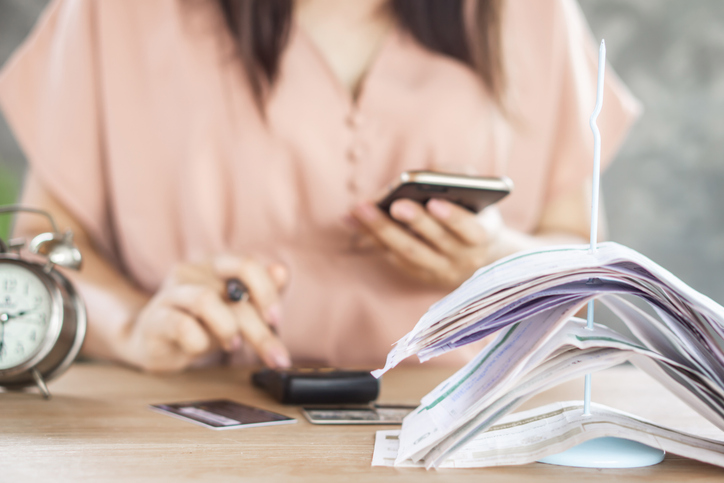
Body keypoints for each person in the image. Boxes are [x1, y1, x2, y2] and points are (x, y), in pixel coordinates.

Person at [0, 0, 639, 372]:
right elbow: (44, 248)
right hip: (193, 431)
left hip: (464, 437)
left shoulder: (528, 13)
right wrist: (137, 324)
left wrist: (496, 263)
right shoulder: (114, 14)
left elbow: (582, 257)